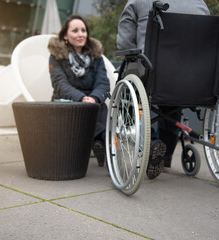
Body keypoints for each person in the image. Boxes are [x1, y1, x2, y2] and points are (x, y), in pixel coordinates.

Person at [117, 0, 210, 179]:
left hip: (153, 74)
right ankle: (164, 154)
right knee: (171, 100)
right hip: (193, 80)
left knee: (128, 91)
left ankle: (152, 141)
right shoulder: (200, 4)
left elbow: (125, 45)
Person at [48, 15, 110, 167]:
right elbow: (59, 84)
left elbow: (102, 82)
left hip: (91, 101)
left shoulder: (96, 57)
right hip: (66, 101)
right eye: (75, 31)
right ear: (65, 35)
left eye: (83, 30)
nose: (80, 34)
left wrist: (94, 98)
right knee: (88, 111)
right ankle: (102, 139)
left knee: (101, 107)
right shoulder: (56, 57)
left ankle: (99, 144)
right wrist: (82, 98)